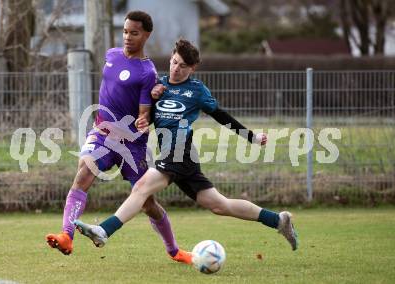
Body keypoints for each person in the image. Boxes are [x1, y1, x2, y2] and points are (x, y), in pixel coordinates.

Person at [73, 39, 299, 255]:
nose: (176, 69)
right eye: (173, 62)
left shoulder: (197, 91)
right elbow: (148, 117)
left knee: (141, 187)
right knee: (219, 205)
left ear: (192, 68)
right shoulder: (159, 86)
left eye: (182, 66)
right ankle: (278, 220)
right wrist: (143, 120)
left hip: (180, 152)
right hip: (178, 156)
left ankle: (104, 230)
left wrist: (252, 137)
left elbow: (221, 116)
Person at [46, 11, 192, 264]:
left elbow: (144, 113)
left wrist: (142, 119)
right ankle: (66, 235)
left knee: (147, 203)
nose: (127, 37)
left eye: (134, 33)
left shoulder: (147, 73)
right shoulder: (111, 55)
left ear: (146, 35)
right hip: (102, 135)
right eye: (125, 31)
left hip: (131, 145)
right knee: (83, 173)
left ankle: (174, 250)